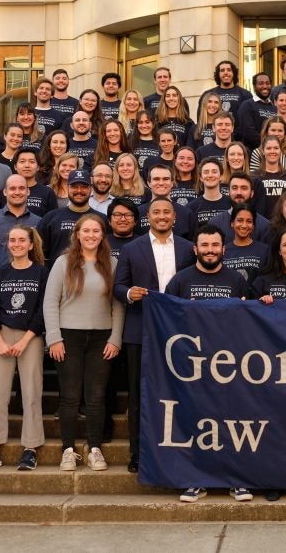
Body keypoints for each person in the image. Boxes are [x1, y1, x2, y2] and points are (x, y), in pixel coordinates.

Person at [165, 224, 252, 503]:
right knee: (196, 423)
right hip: (193, 367)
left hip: (230, 367)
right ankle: (196, 480)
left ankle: (236, 479)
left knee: (231, 424)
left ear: (224, 249)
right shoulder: (180, 280)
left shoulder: (237, 280)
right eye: (205, 245)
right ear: (195, 249)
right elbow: (167, 320)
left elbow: (249, 323)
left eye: (215, 245)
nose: (210, 251)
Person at [113, 196, 194, 472]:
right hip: (141, 330)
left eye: (166, 212)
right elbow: (117, 286)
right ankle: (138, 453)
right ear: (148, 216)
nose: (162, 216)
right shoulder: (132, 248)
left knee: (181, 392)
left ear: (175, 218)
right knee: (139, 395)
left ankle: (182, 450)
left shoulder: (187, 248)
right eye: (156, 212)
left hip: (179, 333)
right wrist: (128, 294)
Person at [43, 214, 123, 473]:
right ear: (77, 234)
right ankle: (68, 449)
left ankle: (94, 448)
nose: (90, 235)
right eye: (85, 231)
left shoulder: (111, 263)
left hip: (102, 337)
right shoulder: (63, 263)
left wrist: (116, 338)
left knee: (96, 397)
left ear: (102, 235)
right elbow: (50, 302)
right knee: (70, 396)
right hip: (69, 336)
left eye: (96, 231)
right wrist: (54, 337)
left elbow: (118, 305)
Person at [0, 226, 47, 471]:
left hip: (31, 336)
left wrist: (25, 340)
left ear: (31, 245)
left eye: (22, 240)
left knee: (31, 393)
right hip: (2, 335)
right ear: (8, 244)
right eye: (12, 240)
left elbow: (42, 310)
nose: (16, 244)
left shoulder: (41, 272)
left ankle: (30, 449)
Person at [37, 169, 108, 265]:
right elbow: (39, 252)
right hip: (59, 276)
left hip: (92, 275)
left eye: (83, 187)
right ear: (68, 187)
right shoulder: (51, 218)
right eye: (74, 186)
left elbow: (106, 250)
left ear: (90, 189)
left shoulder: (101, 219)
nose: (79, 191)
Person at [0, 174, 42, 266]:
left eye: (21, 188)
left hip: (28, 277)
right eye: (12, 189)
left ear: (28, 191)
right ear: (5, 192)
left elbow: (40, 255)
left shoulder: (39, 222)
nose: (17, 192)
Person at [223, 203, 270, 282]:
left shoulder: (264, 251)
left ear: (253, 226)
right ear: (232, 223)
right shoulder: (223, 251)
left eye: (249, 221)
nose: (244, 225)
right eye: (240, 220)